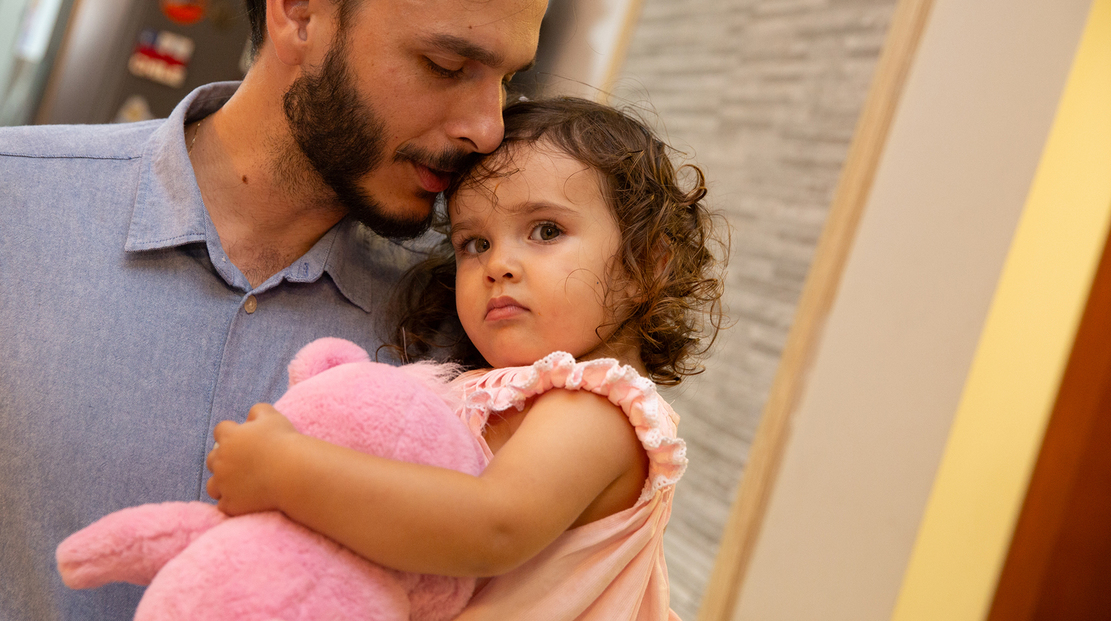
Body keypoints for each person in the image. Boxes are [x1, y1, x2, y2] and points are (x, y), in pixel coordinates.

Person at [0, 0, 571, 618]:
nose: (487, 128)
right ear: (298, 10)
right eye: (445, 65)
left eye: (505, 79)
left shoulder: (467, 326)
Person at [206, 97, 727, 620]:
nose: (498, 264)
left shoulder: (596, 409)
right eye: (474, 242)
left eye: (546, 230)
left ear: (647, 267)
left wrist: (287, 470)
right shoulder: (501, 387)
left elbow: (491, 527)